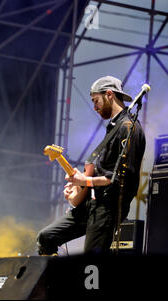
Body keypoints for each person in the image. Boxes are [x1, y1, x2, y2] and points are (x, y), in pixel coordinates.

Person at [37, 76, 146, 255]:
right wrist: (78, 185)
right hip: (92, 203)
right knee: (46, 237)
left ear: (109, 94)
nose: (94, 107)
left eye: (96, 101)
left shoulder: (128, 127)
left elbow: (119, 179)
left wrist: (86, 181)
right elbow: (103, 170)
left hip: (108, 208)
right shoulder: (113, 127)